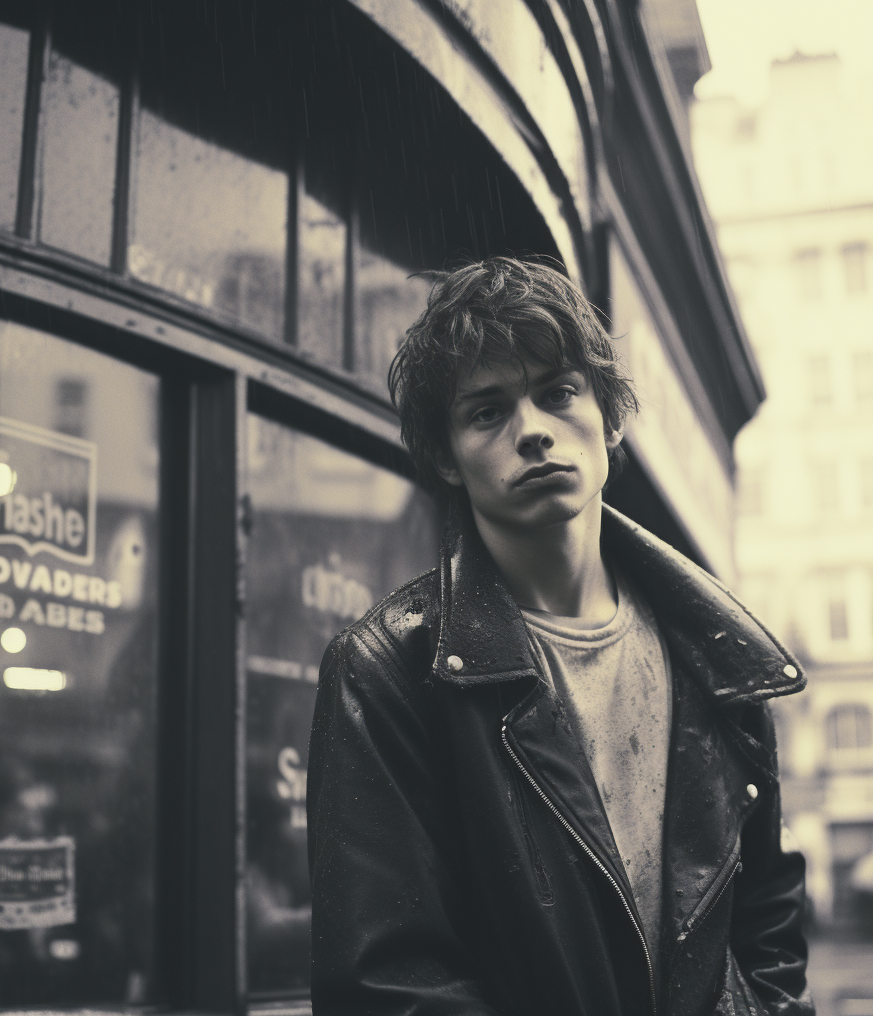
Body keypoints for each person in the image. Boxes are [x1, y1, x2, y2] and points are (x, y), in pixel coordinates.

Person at [306, 257, 813, 1016]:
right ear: (447, 457)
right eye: (488, 412)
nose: (533, 431)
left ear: (609, 418)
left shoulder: (718, 654)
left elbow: (765, 919)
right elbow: (388, 984)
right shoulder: (388, 672)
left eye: (557, 393)